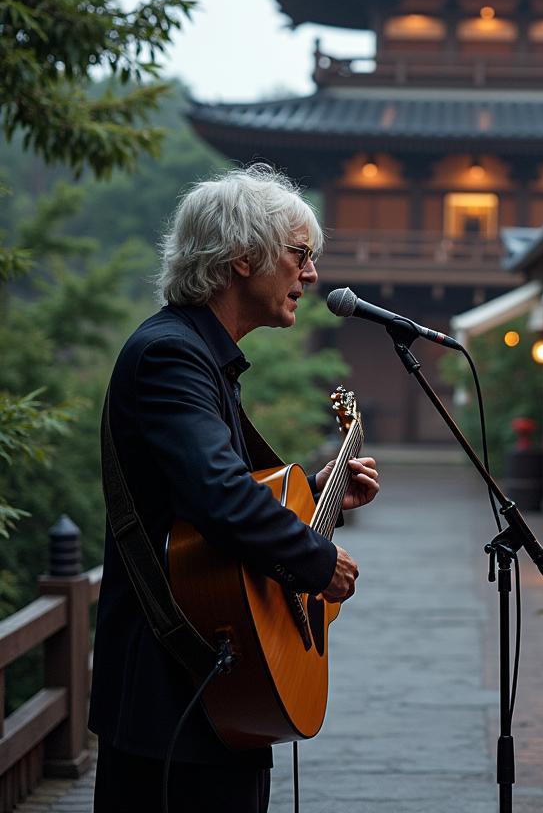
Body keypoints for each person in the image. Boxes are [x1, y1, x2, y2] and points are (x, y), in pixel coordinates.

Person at [89, 164, 379, 813]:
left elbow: (211, 494)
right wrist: (317, 560)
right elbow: (220, 497)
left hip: (212, 681)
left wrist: (316, 490)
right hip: (172, 687)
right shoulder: (173, 354)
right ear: (243, 258)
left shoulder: (202, 355)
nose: (311, 275)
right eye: (300, 254)